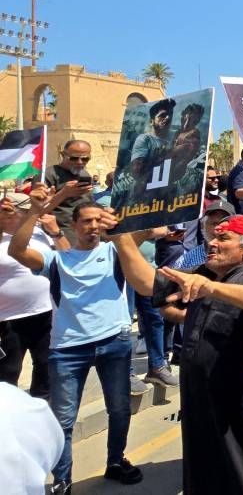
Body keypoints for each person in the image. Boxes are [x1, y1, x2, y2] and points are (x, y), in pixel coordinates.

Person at [116, 214, 243, 495]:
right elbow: (146, 283)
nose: (212, 243)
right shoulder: (201, 273)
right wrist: (122, 240)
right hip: (199, 402)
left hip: (240, 407)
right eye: (212, 237)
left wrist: (212, 288)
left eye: (223, 238)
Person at [8, 187, 149, 493]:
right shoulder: (57, 259)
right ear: (73, 226)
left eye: (98, 220)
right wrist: (35, 211)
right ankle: (62, 480)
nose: (93, 226)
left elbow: (147, 229)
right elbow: (17, 252)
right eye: (86, 221)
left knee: (120, 409)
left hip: (115, 342)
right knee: (64, 420)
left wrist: (123, 220)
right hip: (68, 349)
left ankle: (115, 461)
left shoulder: (116, 252)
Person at [0, 192, 67, 399]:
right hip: (9, 319)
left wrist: (56, 233)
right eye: (28, 210)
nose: (35, 213)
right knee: (8, 373)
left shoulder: (41, 233)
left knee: (45, 368)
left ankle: (40, 416)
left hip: (46, 313)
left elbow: (67, 259)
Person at [43, 139, 97, 247]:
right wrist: (64, 194)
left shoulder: (84, 174)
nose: (80, 162)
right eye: (74, 158)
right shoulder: (49, 175)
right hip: (62, 233)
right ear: (63, 155)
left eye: (85, 159)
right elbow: (37, 211)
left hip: (86, 231)